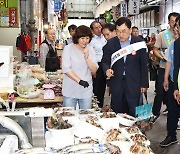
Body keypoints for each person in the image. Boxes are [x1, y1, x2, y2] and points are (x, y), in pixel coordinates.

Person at [101, 17, 149, 117]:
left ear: (130, 30)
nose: (120, 35)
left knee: (134, 112)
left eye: (124, 31)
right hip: (117, 82)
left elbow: (144, 65)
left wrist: (144, 84)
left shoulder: (139, 43)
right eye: (118, 31)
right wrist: (106, 70)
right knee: (117, 112)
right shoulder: (111, 43)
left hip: (134, 83)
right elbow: (105, 61)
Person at [62, 25, 98, 110]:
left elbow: (94, 69)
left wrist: (87, 58)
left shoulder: (90, 49)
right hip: (70, 89)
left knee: (86, 115)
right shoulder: (68, 49)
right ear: (77, 38)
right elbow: (66, 69)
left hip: (86, 90)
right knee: (69, 116)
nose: (85, 41)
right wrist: (79, 81)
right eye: (82, 38)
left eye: (87, 38)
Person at [152, 12, 179, 124]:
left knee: (172, 95)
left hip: (177, 71)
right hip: (165, 68)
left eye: (176, 22)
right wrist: (162, 58)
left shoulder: (177, 38)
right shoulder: (163, 35)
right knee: (160, 92)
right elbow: (155, 49)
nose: (174, 24)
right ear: (169, 22)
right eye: (172, 22)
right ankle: (154, 113)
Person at [161, 15, 180, 147]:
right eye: (175, 26)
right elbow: (170, 62)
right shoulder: (175, 44)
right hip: (175, 82)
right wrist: (166, 78)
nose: (176, 28)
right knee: (172, 111)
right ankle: (171, 135)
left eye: (178, 26)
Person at [89, 21, 107, 108]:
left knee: (103, 88)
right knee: (97, 88)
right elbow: (91, 56)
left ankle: (101, 106)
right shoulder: (91, 41)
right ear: (92, 30)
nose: (99, 29)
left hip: (106, 64)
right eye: (96, 28)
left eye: (100, 27)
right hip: (97, 65)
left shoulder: (105, 37)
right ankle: (96, 107)